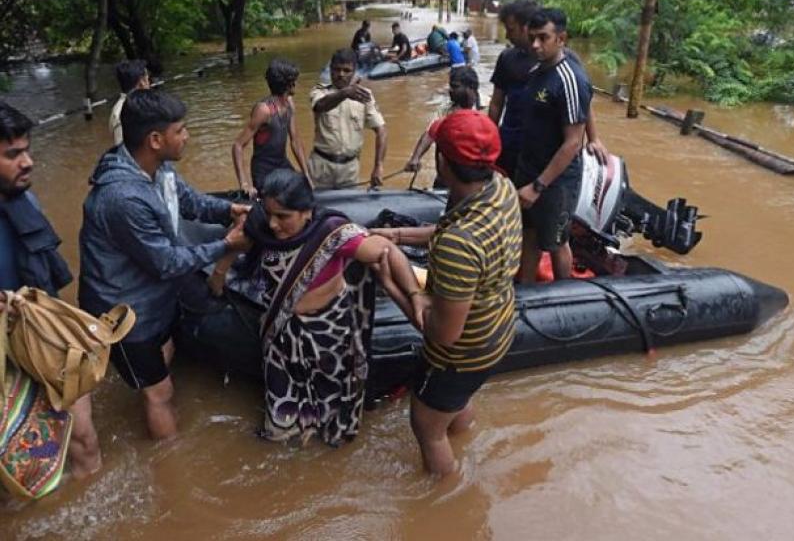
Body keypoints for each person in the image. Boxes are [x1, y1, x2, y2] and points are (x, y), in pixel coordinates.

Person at [207, 169, 424, 446]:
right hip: (281, 339)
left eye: (283, 216)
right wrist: (223, 264)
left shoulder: (332, 236)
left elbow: (386, 251)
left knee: (331, 408)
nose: (274, 224)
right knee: (281, 416)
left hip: (327, 337)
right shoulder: (261, 228)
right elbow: (226, 265)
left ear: (307, 212)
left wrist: (414, 294)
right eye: (270, 213)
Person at [79, 88, 250, 440]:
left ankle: (147, 378)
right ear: (156, 139)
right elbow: (167, 262)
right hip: (124, 312)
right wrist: (226, 245)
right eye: (181, 130)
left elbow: (190, 203)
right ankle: (169, 462)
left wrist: (229, 210)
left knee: (163, 358)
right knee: (161, 394)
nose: (187, 136)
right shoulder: (123, 198)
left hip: (152, 296)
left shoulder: (160, 169)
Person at [372, 110, 522, 475]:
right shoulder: (501, 188)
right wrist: (399, 236)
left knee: (426, 426)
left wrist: (394, 284)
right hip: (499, 327)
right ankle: (463, 436)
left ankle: (448, 498)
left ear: (442, 160)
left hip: (462, 352)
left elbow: (443, 334)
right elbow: (450, 228)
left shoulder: (459, 244)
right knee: (456, 400)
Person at [0, 101, 101, 480]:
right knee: (16, 466)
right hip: (4, 354)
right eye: (13, 154)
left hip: (44, 335)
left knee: (84, 438)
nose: (28, 162)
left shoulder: (24, 198)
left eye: (27, 150)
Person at [489, 0, 607, 176]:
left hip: (546, 150)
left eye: (511, 30)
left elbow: (582, 102)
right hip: (512, 143)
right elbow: (497, 103)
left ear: (525, 27)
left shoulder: (564, 61)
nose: (507, 35)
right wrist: (490, 138)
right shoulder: (508, 59)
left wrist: (594, 138)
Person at [516, 8, 592, 283]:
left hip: (556, 181)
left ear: (561, 39)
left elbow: (572, 143)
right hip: (529, 168)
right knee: (530, 234)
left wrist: (538, 186)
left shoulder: (571, 80)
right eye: (532, 38)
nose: (535, 45)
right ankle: (524, 288)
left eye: (543, 38)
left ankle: (565, 294)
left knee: (557, 241)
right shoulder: (536, 72)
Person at [231, 58, 312, 198]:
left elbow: (296, 141)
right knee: (282, 201)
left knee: (303, 192)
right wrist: (244, 184)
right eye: (295, 81)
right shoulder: (264, 110)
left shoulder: (289, 104)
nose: (297, 84)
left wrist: (307, 175)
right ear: (288, 84)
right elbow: (238, 145)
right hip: (264, 171)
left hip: (282, 164)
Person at [309, 49, 387, 189]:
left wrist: (378, 166)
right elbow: (320, 106)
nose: (341, 74)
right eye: (337, 69)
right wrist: (345, 93)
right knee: (315, 209)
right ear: (331, 70)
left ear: (354, 72)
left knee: (349, 209)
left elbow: (381, 130)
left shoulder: (364, 96)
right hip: (320, 167)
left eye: (346, 70)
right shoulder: (320, 91)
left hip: (350, 170)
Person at [404, 66, 479, 175]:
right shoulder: (445, 109)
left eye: (455, 86)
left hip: (473, 175)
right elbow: (430, 134)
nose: (450, 90)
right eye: (450, 86)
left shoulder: (485, 109)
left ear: (470, 88)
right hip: (446, 175)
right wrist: (415, 158)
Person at [109, 59, 150, 146]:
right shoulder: (122, 112)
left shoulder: (140, 105)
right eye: (147, 79)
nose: (149, 83)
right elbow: (121, 147)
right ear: (142, 82)